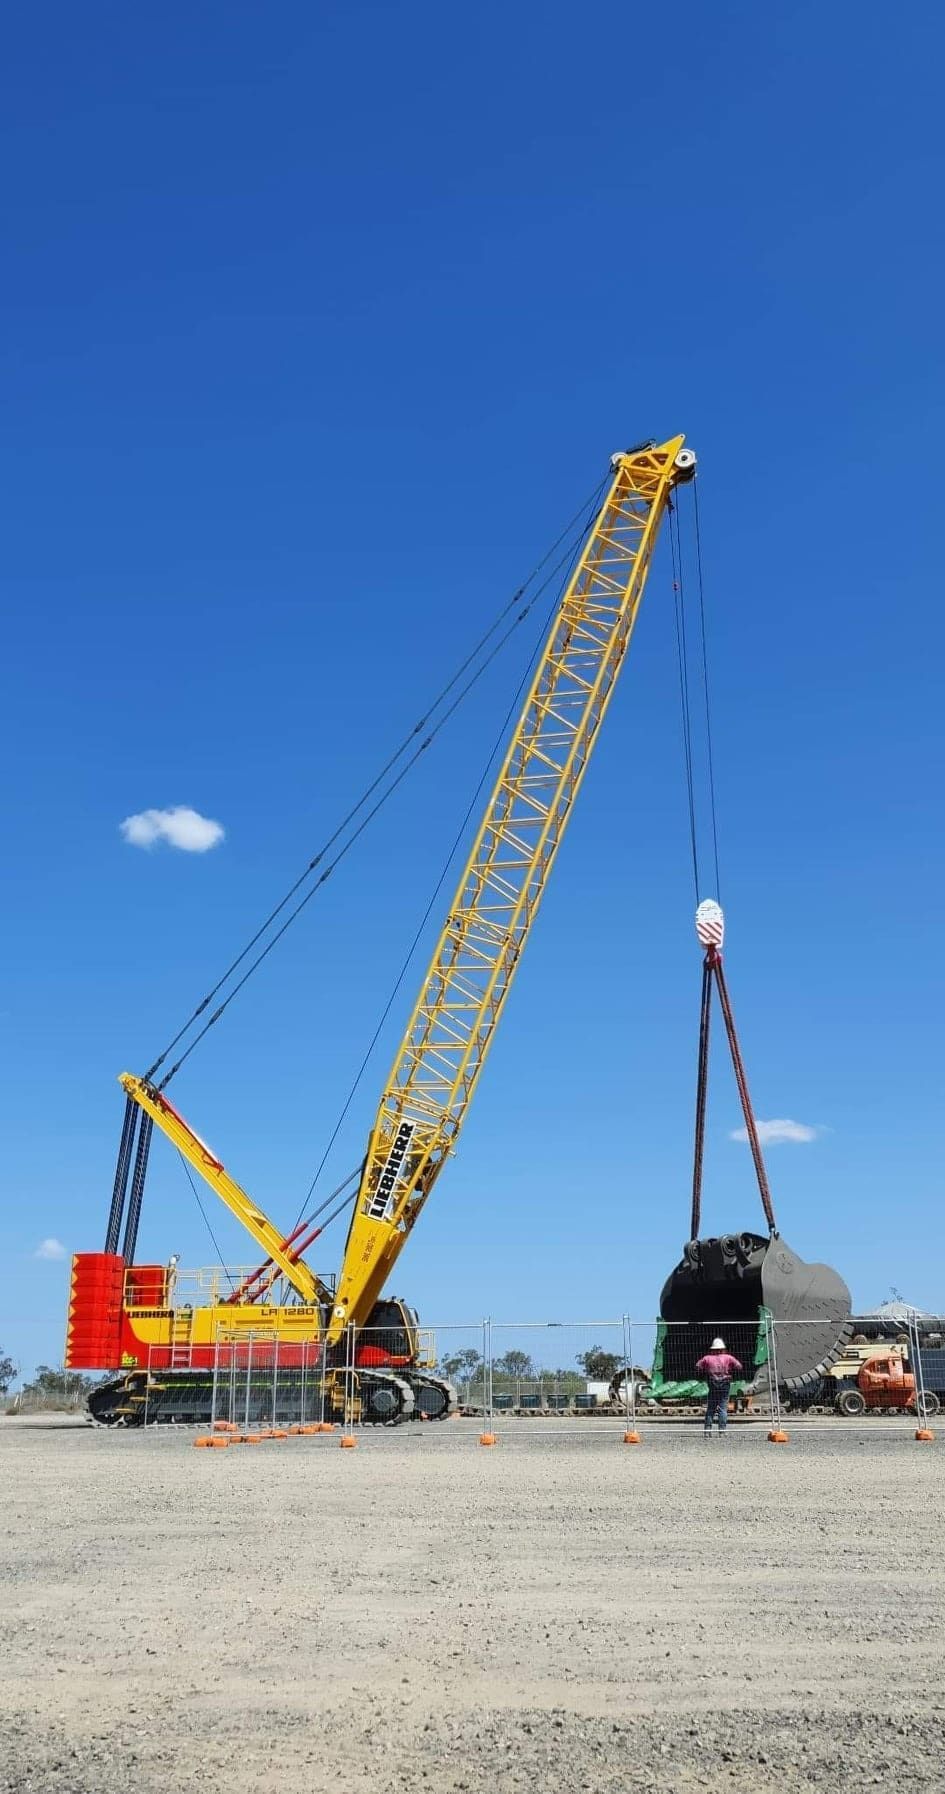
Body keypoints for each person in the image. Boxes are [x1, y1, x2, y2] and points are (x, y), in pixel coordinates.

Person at [696, 1336, 743, 1436]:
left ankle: (707, 1431)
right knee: (723, 1408)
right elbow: (739, 1366)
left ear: (712, 1349)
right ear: (723, 1349)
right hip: (725, 1384)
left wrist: (705, 1370)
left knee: (711, 1408)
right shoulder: (728, 1357)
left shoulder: (707, 1358)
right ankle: (722, 1431)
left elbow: (698, 1366)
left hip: (712, 1384)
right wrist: (730, 1369)